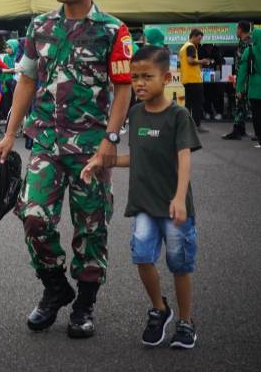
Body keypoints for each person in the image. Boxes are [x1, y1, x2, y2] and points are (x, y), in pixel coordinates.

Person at [0, 0, 133, 338]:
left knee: (92, 226)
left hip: (91, 146)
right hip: (46, 142)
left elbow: (123, 90)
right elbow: (25, 81)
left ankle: (85, 303)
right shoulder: (39, 27)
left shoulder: (112, 31)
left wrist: (110, 139)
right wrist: (9, 133)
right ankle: (55, 288)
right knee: (33, 215)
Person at [81, 45, 201, 349]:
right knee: (142, 256)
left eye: (147, 77)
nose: (139, 84)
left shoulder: (179, 115)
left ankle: (186, 322)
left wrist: (179, 197)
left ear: (167, 77)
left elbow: (184, 159)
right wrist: (99, 161)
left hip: (173, 206)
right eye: (135, 78)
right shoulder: (135, 114)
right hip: (144, 205)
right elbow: (135, 157)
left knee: (179, 265)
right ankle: (160, 310)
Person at [223, 20, 253, 140]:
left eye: (236, 29)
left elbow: (242, 64)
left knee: (239, 103)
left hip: (243, 79)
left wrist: (238, 80)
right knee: (242, 104)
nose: (236, 31)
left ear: (240, 29)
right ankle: (241, 129)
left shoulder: (245, 44)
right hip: (245, 78)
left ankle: (236, 130)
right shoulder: (248, 42)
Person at [178, 29, 211, 133]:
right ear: (193, 36)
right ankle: (197, 125)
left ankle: (186, 125)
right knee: (197, 103)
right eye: (199, 38)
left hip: (187, 80)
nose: (200, 41)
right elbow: (190, 61)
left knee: (189, 104)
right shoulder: (190, 46)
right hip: (194, 80)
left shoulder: (184, 47)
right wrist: (203, 61)